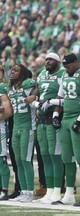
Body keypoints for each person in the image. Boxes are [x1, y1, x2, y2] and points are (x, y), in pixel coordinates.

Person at [51, 53, 80, 206]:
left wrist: (79, 120)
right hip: (66, 118)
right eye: (64, 66)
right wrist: (56, 114)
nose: (66, 68)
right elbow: (60, 98)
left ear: (76, 62)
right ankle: (69, 194)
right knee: (67, 158)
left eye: (68, 65)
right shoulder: (65, 74)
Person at [33, 52, 65, 203]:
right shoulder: (41, 74)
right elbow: (36, 92)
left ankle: (57, 191)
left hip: (55, 117)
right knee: (45, 155)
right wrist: (34, 101)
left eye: (51, 59)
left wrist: (52, 103)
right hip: (41, 118)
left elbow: (66, 95)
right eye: (46, 59)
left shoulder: (63, 74)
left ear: (58, 61)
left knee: (55, 155)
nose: (47, 61)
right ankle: (49, 190)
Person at [7, 64, 37, 202]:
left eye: (16, 70)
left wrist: (34, 95)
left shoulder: (28, 84)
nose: (12, 72)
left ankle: (30, 192)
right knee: (18, 161)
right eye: (12, 70)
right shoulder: (11, 89)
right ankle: (23, 191)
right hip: (16, 128)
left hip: (28, 128)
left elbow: (39, 89)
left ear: (23, 73)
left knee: (26, 160)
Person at [0, 67, 13, 200]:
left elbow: (8, 111)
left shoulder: (2, 87)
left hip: (1, 127)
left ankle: (4, 189)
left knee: (1, 159)